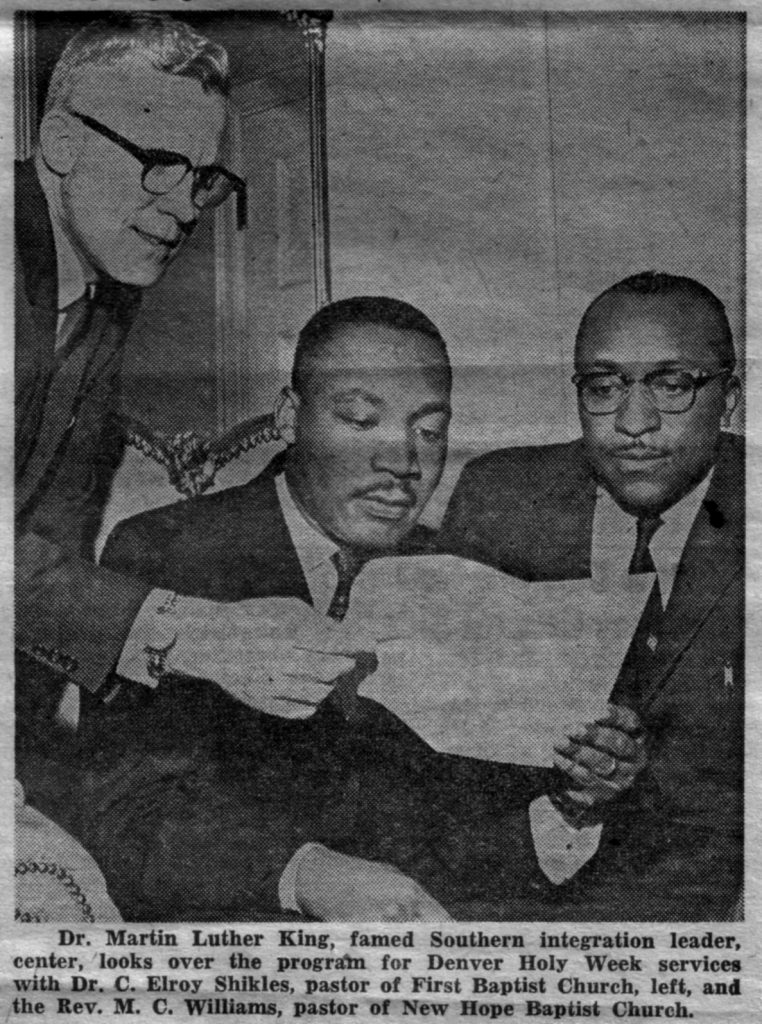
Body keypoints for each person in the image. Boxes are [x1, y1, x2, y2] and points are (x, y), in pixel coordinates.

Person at [16, 15, 364, 845]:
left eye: (205, 178)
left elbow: (47, 540)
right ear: (61, 142)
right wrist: (192, 635)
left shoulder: (101, 294)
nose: (183, 208)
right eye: (159, 166)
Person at [440, 271, 743, 920]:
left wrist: (635, 786)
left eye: (673, 384)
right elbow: (436, 762)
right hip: (491, 896)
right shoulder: (499, 498)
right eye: (604, 387)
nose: (634, 423)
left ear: (731, 398)